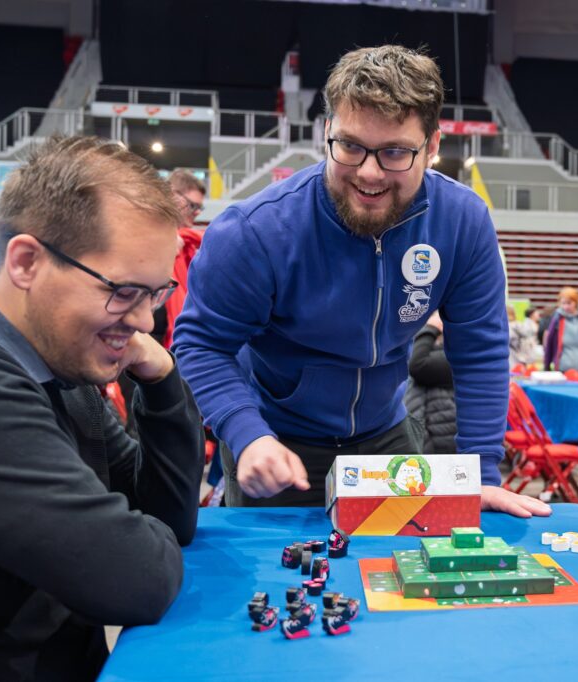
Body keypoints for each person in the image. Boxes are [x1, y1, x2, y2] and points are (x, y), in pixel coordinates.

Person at [173, 45, 549, 519]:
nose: (369, 173)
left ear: (432, 146)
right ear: (326, 131)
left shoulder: (463, 222)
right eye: (350, 146)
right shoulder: (256, 231)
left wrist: (481, 474)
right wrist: (246, 433)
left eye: (395, 152)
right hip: (278, 444)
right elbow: (201, 343)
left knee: (403, 562)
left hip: (387, 438)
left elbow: (480, 352)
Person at [0, 136, 205, 678]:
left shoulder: (59, 364)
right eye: (124, 291)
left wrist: (161, 381)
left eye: (155, 294)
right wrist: (128, 536)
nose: (146, 322)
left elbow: (168, 517)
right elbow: (135, 577)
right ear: (26, 262)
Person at [157, 169, 206, 349]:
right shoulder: (147, 236)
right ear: (173, 196)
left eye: (199, 207)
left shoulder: (188, 245)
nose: (197, 212)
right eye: (192, 205)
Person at [404, 311, 456, 453]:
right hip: (427, 436)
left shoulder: (455, 356)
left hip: (440, 440)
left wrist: (431, 328)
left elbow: (418, 365)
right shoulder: (435, 350)